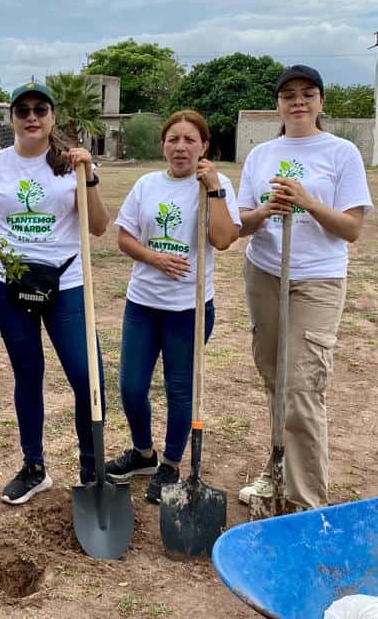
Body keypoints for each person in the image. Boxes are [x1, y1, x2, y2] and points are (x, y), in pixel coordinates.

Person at [236, 64, 373, 511]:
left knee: (302, 387)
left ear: (320, 101)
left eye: (307, 94)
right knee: (275, 380)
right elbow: (242, 223)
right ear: (277, 104)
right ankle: (277, 471)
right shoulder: (260, 155)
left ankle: (306, 502)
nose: (298, 101)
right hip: (265, 274)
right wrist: (266, 211)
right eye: (288, 95)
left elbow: (350, 228)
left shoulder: (341, 153)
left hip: (316, 278)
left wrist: (309, 203)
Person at [0, 81, 109, 504]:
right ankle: (33, 467)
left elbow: (99, 226)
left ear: (52, 117)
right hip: (7, 285)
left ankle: (91, 468)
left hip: (65, 284)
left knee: (87, 378)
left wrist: (91, 176)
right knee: (28, 374)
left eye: (40, 110)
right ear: (11, 117)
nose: (31, 117)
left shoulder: (71, 164)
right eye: (23, 110)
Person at [105, 110, 241, 502]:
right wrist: (153, 258)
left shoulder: (216, 184)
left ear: (204, 146)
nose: (180, 147)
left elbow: (224, 238)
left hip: (189, 308)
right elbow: (124, 238)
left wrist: (213, 187)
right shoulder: (147, 184)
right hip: (143, 304)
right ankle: (144, 453)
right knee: (131, 386)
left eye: (189, 140)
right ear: (163, 145)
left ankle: (171, 464)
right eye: (173, 140)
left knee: (180, 390)